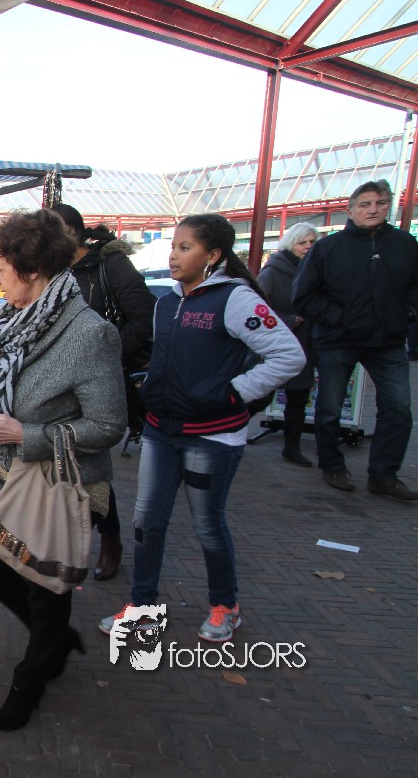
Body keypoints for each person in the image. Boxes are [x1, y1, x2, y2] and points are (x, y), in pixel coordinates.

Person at [101, 214, 304, 644]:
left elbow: (289, 356)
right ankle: (142, 609)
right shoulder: (167, 303)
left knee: (208, 525)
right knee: (146, 523)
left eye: (185, 247)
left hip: (212, 437)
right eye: (173, 247)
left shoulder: (236, 299)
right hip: (160, 432)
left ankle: (225, 606)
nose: (173, 256)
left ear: (213, 255)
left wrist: (234, 392)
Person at [0, 209, 127, 731]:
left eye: (0, 269)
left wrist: (27, 436)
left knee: (45, 589)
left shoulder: (89, 333)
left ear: (32, 270)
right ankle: (53, 641)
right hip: (4, 478)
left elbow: (109, 425)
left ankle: (32, 678)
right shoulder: (7, 323)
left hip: (57, 485)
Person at [292, 179, 418, 499]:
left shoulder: (404, 243)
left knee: (398, 409)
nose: (373, 209)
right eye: (365, 204)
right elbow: (303, 296)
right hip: (338, 340)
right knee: (330, 409)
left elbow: (415, 285)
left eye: (380, 203)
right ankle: (332, 466)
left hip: (388, 341)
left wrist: (408, 312)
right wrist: (339, 318)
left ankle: (384, 476)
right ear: (350, 211)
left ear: (388, 206)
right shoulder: (328, 248)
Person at [53, 203, 156, 582]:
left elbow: (145, 317)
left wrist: (104, 353)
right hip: (60, 381)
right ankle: (75, 539)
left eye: (55, 230)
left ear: (75, 232)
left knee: (88, 463)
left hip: (102, 379)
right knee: (67, 462)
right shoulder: (52, 270)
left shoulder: (109, 264)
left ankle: (108, 539)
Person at [258, 223, 319, 467]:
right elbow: (256, 307)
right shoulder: (273, 271)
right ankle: (230, 434)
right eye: (302, 242)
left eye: (312, 242)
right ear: (290, 244)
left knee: (298, 398)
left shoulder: (316, 270)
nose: (307, 247)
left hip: (304, 343)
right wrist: (289, 320)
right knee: (259, 396)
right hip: (275, 344)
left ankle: (292, 448)